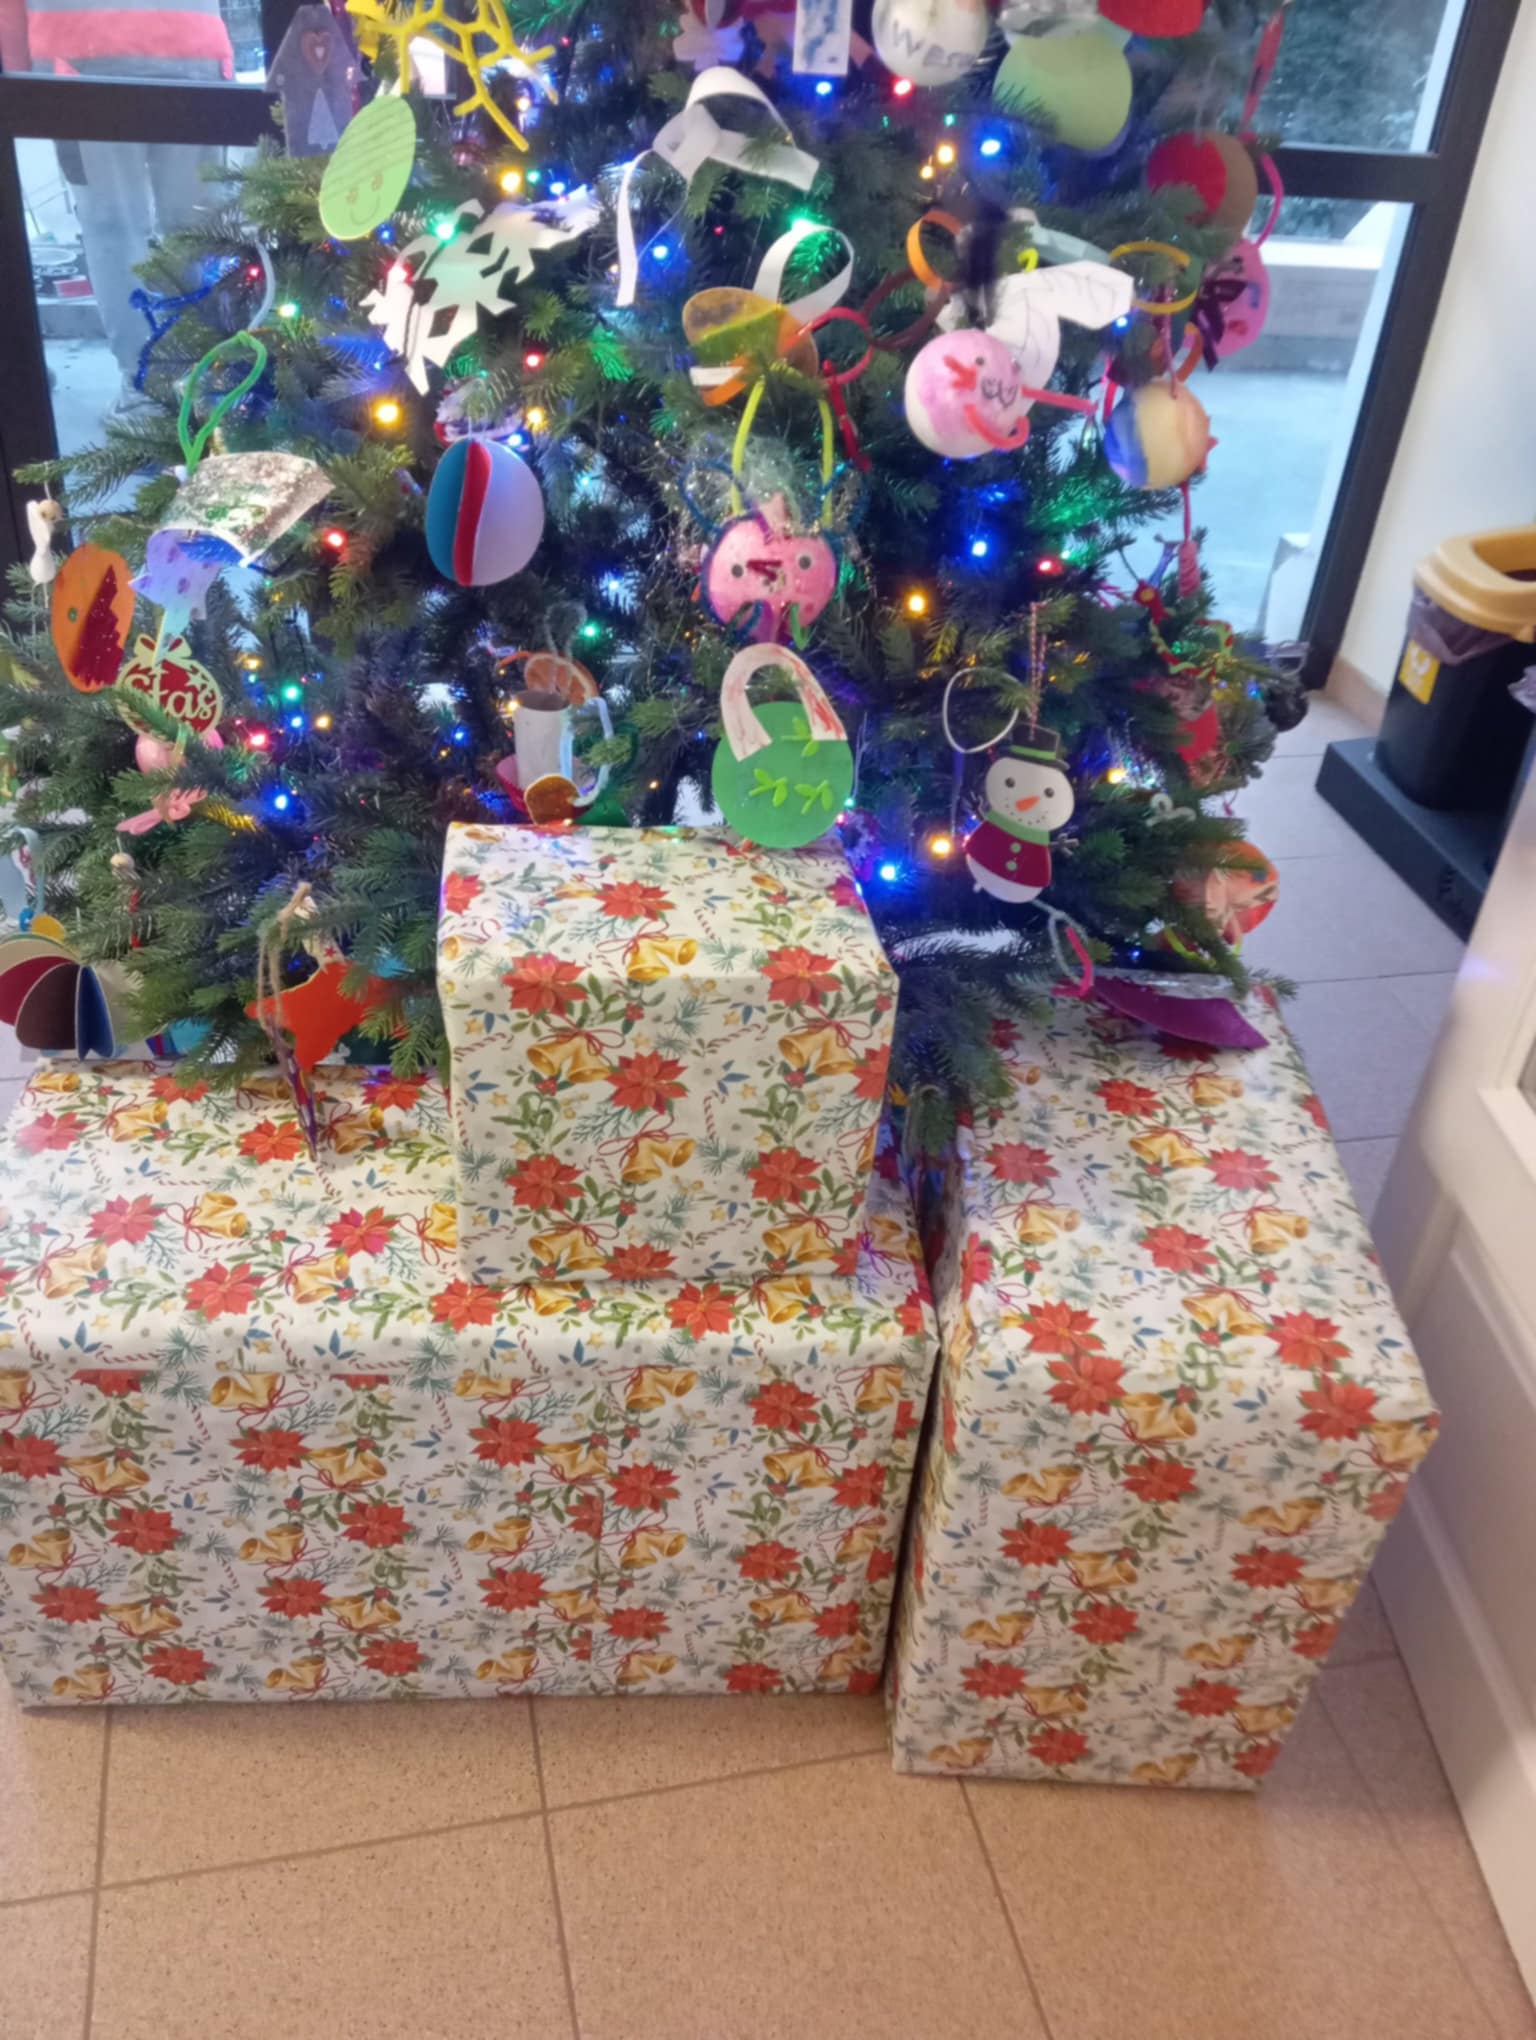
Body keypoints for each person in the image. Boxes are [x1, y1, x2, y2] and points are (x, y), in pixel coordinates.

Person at [0, 0, 233, 395]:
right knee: (196, 226)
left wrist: (20, 79)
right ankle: (210, 374)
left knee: (115, 230)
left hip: (82, 56)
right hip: (193, 47)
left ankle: (147, 383)